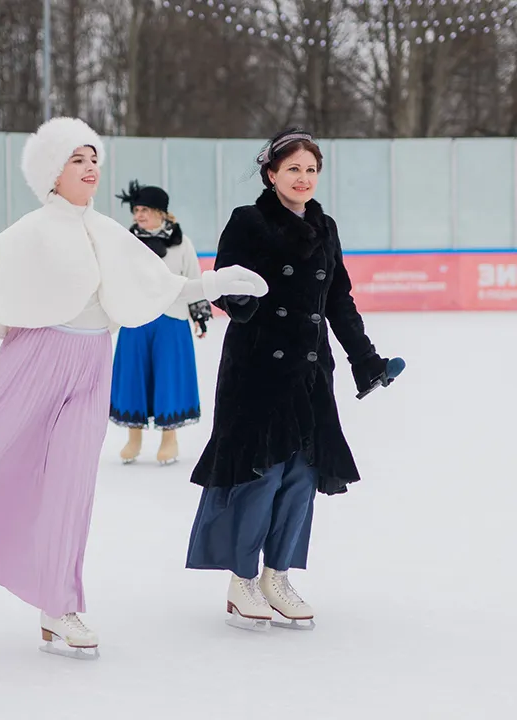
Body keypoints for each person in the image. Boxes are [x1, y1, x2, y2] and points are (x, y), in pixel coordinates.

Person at [0, 117, 268, 659]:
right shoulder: (37, 227)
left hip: (93, 364)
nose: (91, 168)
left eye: (94, 159)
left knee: (72, 488)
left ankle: (58, 606)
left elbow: (160, 286)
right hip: (38, 356)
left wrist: (214, 283)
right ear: (52, 172)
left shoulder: (110, 232)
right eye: (77, 159)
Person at [185, 128, 404, 631]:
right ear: (271, 174)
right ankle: (241, 579)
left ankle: (276, 574)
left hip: (309, 369)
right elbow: (224, 283)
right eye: (293, 169)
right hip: (257, 368)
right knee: (261, 473)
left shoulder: (325, 227)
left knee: (303, 475)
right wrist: (242, 298)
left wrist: (364, 360)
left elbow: (338, 302)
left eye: (311, 170)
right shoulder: (249, 221)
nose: (303, 178)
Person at [109, 180, 210, 466]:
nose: (138, 215)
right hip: (136, 319)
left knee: (170, 376)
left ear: (162, 212)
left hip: (172, 319)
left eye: (145, 210)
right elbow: (115, 278)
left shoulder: (182, 243)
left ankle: (169, 439)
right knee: (133, 376)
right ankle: (134, 437)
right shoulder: (126, 242)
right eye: (136, 210)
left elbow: (193, 278)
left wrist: (199, 314)